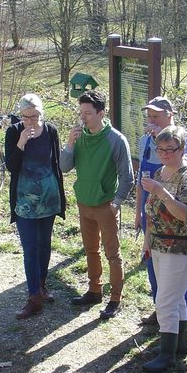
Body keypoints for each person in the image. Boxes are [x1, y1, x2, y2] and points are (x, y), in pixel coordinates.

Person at [59, 90, 134, 319]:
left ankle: (115, 298)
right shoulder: (79, 136)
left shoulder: (115, 140)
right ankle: (94, 290)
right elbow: (64, 167)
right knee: (91, 250)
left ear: (101, 113)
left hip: (106, 205)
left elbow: (128, 176)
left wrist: (117, 202)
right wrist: (70, 144)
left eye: (88, 113)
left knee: (112, 253)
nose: (83, 117)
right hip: (84, 203)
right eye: (81, 112)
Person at [140, 126, 187, 373]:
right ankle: (179, 343)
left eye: (170, 149)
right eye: (160, 149)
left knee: (165, 299)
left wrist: (161, 191)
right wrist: (147, 241)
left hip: (181, 246)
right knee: (174, 298)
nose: (165, 154)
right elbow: (150, 210)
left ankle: (166, 355)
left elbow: (185, 214)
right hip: (158, 242)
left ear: (181, 149)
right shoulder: (160, 171)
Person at [134, 96, 187, 328]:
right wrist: (139, 212)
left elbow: (186, 164)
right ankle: (161, 307)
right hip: (151, 206)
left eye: (156, 116)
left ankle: (184, 317)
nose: (151, 121)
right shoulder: (144, 140)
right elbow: (143, 176)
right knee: (154, 262)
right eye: (149, 117)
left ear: (170, 115)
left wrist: (165, 146)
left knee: (179, 271)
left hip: (176, 209)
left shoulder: (185, 137)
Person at [4, 94, 66, 320]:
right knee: (30, 248)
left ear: (43, 113)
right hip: (25, 202)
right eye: (26, 117)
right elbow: (11, 166)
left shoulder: (50, 131)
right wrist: (21, 143)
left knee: (44, 245)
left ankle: (41, 285)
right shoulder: (13, 132)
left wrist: (61, 196)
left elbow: (57, 164)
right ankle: (33, 298)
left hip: (48, 200)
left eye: (36, 116)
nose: (31, 121)